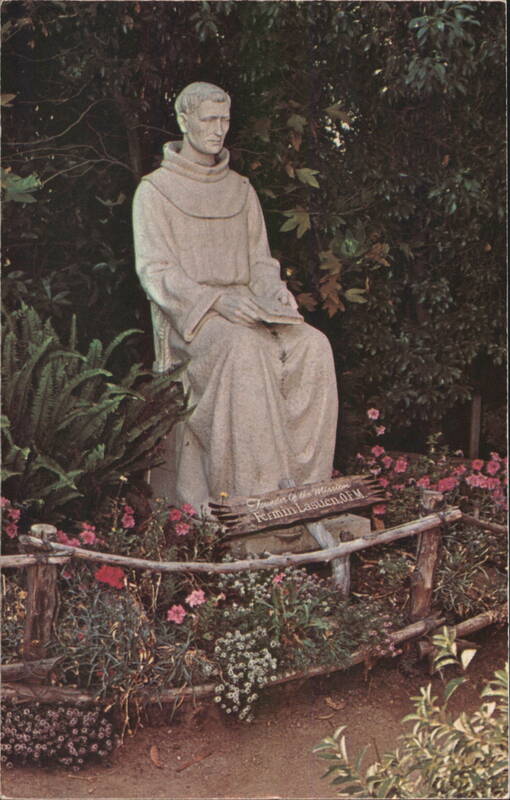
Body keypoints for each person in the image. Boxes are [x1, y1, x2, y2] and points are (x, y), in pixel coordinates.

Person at [132, 81, 338, 510]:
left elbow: (260, 263)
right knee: (244, 351)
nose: (218, 129)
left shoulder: (241, 189)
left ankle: (304, 493)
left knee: (314, 347)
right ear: (183, 121)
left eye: (224, 120)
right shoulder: (155, 191)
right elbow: (156, 271)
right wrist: (214, 300)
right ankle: (249, 499)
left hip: (250, 309)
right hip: (193, 320)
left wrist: (276, 294)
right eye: (209, 119)